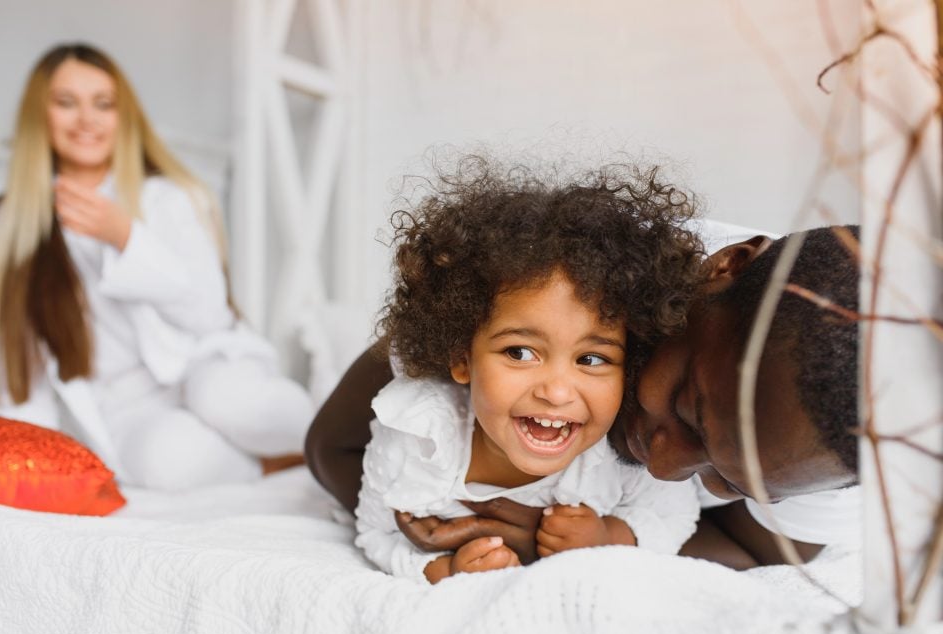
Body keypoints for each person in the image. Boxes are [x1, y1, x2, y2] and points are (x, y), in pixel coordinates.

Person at [306, 220, 861, 569]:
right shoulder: (555, 278)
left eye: (731, 482)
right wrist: (440, 527)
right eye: (692, 412)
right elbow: (331, 445)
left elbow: (755, 552)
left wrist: (563, 540)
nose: (664, 469)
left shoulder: (834, 463)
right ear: (723, 268)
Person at [0, 43, 314, 490]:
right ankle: (270, 466)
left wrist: (126, 237)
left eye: (103, 104)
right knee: (166, 461)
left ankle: (330, 441)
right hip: (126, 403)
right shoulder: (6, 224)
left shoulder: (167, 197)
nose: (87, 120)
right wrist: (21, 446)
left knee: (229, 400)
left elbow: (209, 315)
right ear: (39, 115)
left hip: (205, 361)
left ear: (124, 117)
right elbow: (20, 351)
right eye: (66, 103)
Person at [354, 160, 703, 583]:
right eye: (520, 352)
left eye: (591, 360)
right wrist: (442, 569)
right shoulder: (417, 439)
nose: (557, 392)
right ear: (462, 357)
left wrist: (609, 536)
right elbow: (376, 531)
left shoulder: (619, 451)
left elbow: (676, 512)